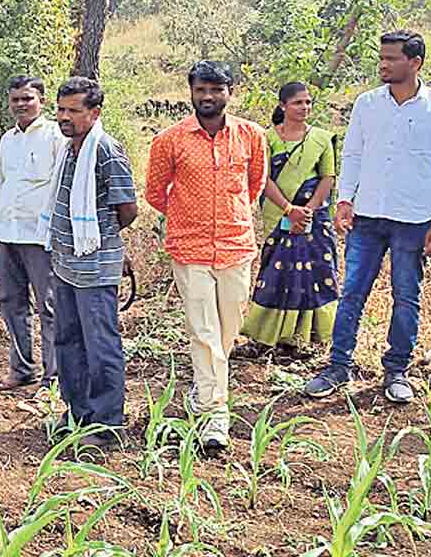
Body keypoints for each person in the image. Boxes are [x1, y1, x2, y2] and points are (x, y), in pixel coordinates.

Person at [306, 30, 431, 404]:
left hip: (414, 218)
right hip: (368, 216)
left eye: (391, 58)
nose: (383, 64)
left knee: (407, 297)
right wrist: (345, 200)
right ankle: (338, 366)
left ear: (415, 62)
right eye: (382, 57)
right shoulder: (367, 104)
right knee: (352, 293)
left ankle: (397, 371)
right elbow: (353, 154)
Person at [145, 61, 267, 450]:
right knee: (203, 332)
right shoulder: (170, 140)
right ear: (191, 92)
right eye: (201, 89)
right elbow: (154, 192)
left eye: (217, 89)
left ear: (230, 91)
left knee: (226, 331)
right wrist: (188, 215)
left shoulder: (252, 135)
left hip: (235, 246)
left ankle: (203, 392)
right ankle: (215, 416)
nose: (208, 97)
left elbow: (254, 185)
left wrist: (225, 216)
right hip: (189, 248)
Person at [47, 78, 138, 447]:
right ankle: (77, 413)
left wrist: (100, 237)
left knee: (100, 344)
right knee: (68, 340)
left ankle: (106, 423)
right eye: (60, 109)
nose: (64, 117)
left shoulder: (106, 151)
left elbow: (127, 209)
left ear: (94, 113)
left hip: (95, 266)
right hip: (66, 263)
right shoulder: (70, 149)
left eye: (73, 110)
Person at [238, 82, 338, 358]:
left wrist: (308, 211)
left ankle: (305, 340)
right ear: (283, 105)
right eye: (298, 103)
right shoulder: (267, 138)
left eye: (308, 102)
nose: (304, 108)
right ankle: (265, 337)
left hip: (313, 220)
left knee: (314, 274)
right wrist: (288, 209)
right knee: (275, 273)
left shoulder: (321, 138)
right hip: (278, 216)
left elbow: (327, 177)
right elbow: (262, 177)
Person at [0, 75, 67, 391]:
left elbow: (61, 185)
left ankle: (54, 376)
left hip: (39, 235)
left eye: (27, 98)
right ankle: (21, 369)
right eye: (16, 99)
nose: (21, 104)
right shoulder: (8, 139)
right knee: (11, 302)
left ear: (42, 101)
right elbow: (3, 182)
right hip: (6, 232)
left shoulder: (54, 137)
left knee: (48, 306)